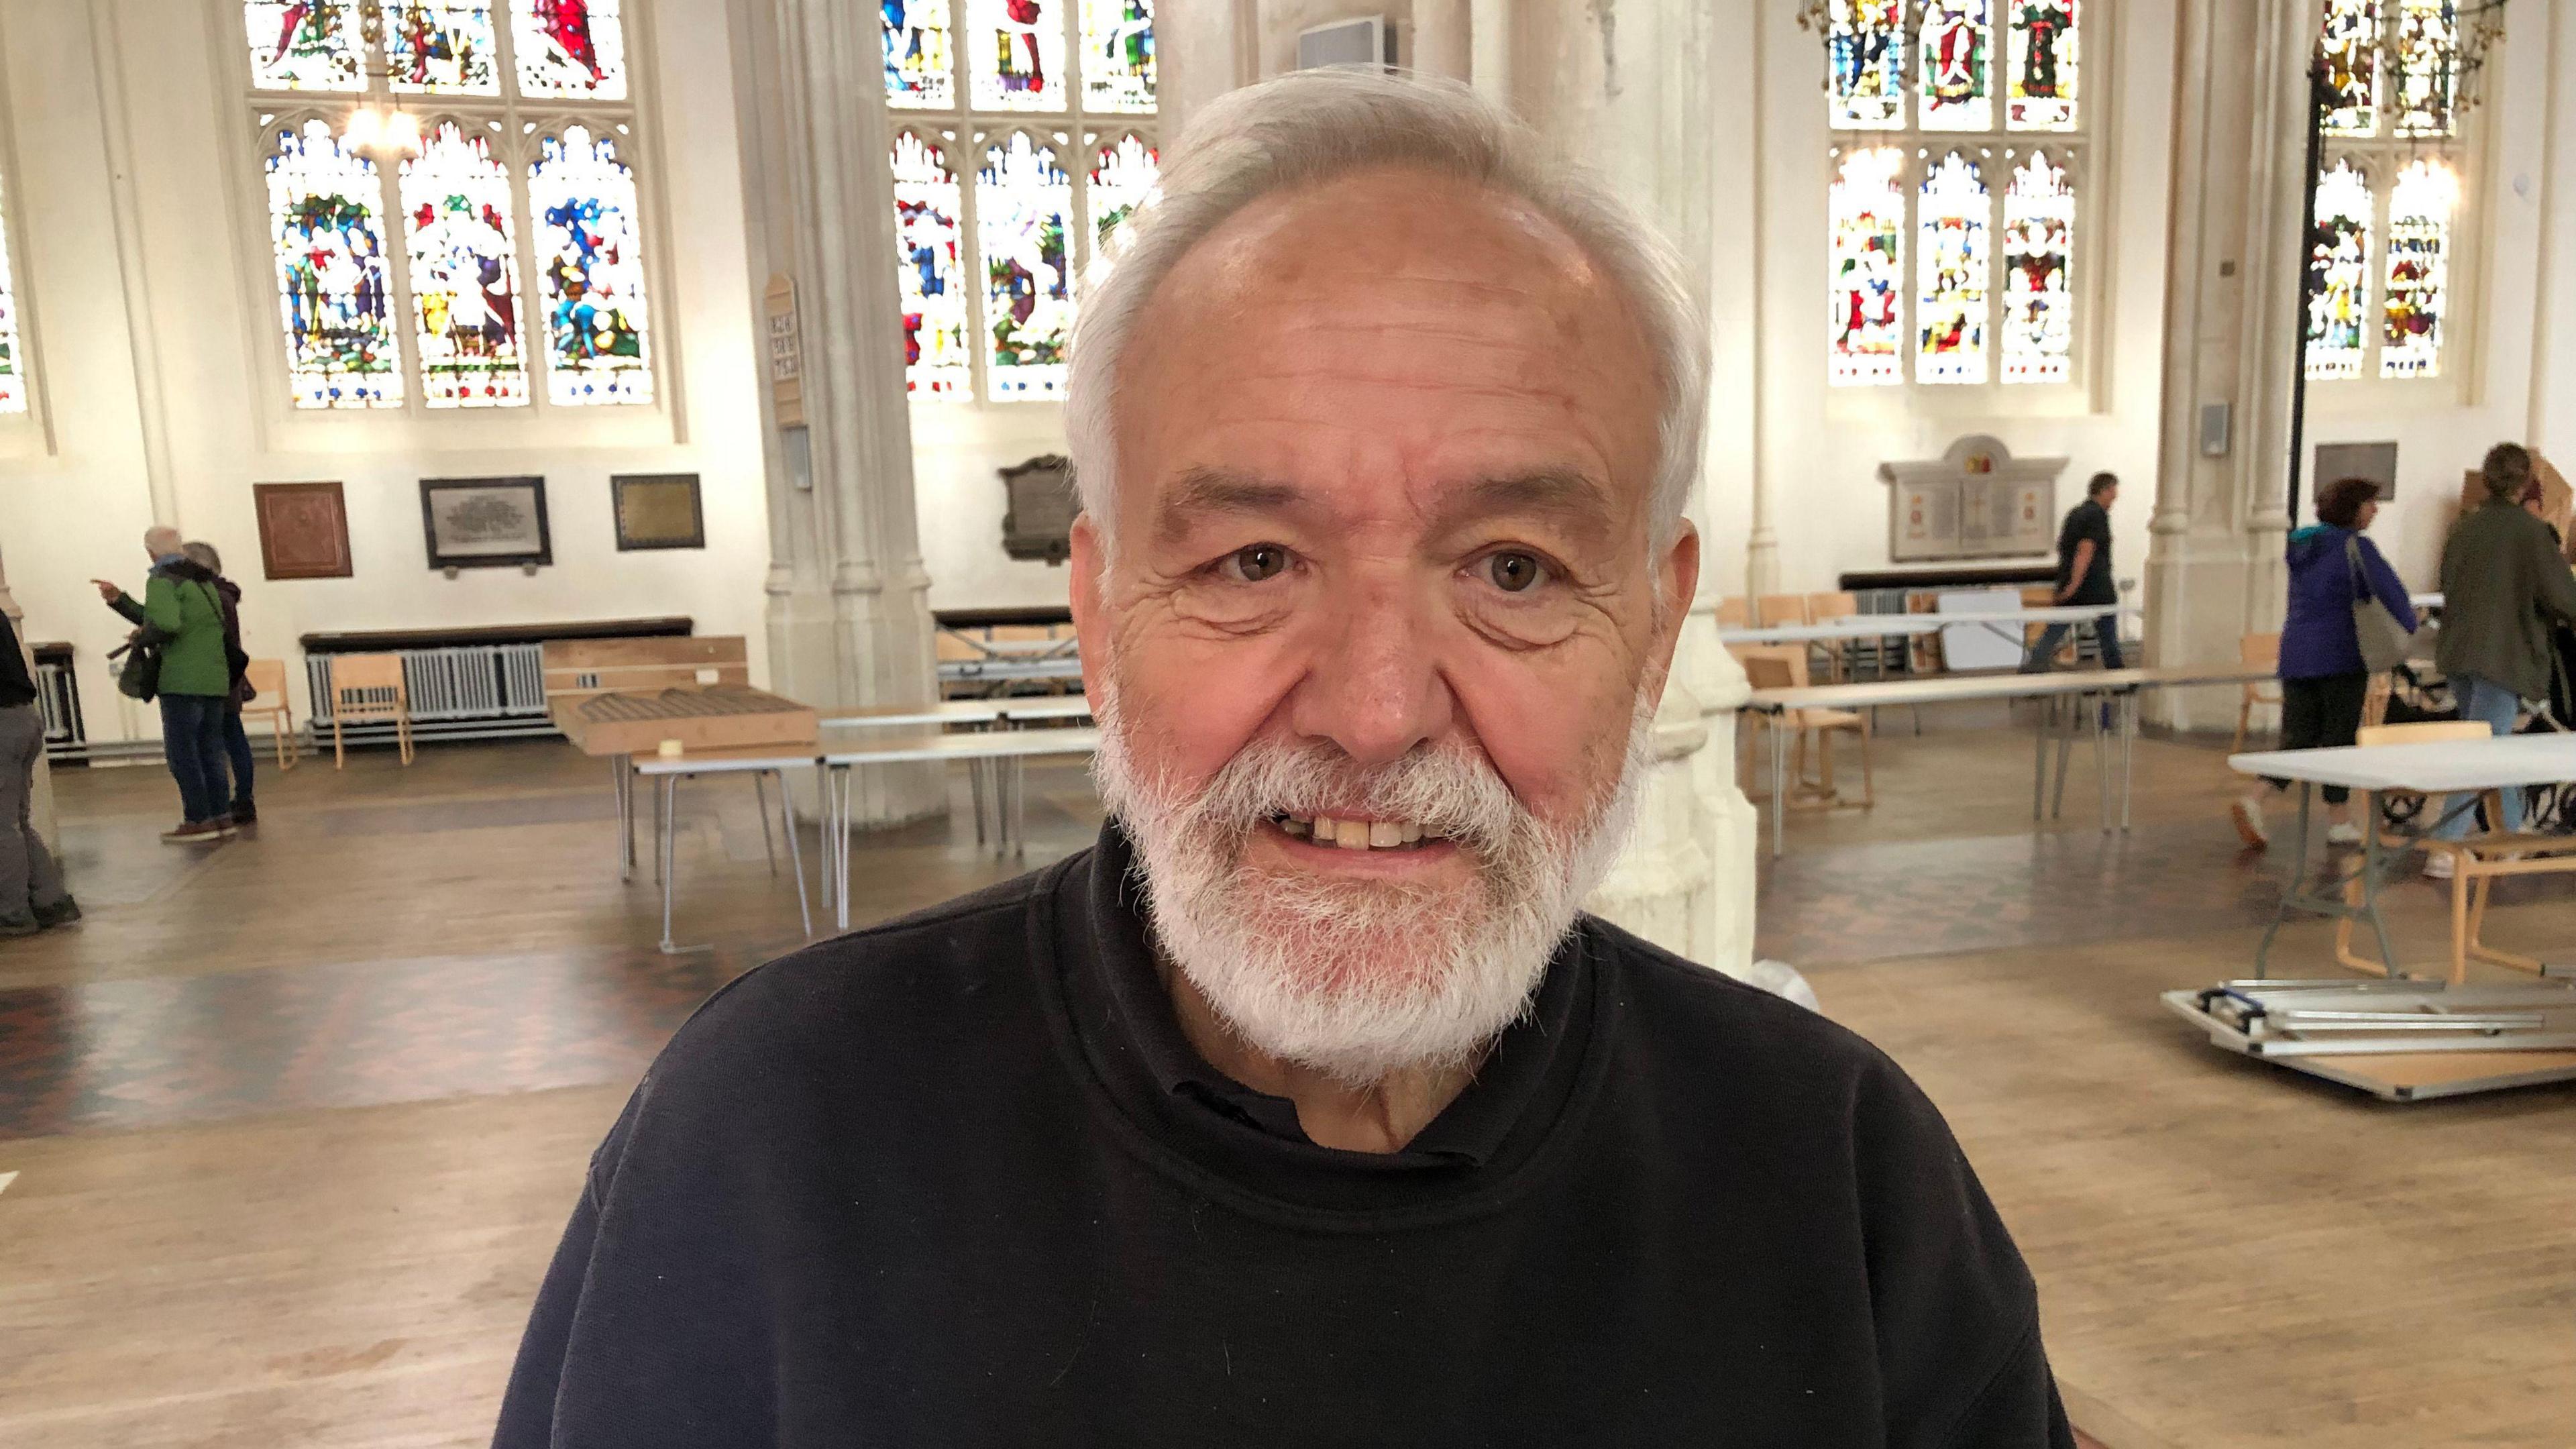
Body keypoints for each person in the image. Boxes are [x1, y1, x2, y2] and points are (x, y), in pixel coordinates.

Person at [496, 72, 2072, 1448]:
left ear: (1649, 632)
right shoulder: (777, 1131)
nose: (1376, 710)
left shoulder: (1829, 1171)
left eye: (1511, 568)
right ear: (1102, 615)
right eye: (1253, 560)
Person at [2231, 476, 2417, 851]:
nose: (2375, 510)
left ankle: (2256, 796)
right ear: (2353, 509)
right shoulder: (2355, 547)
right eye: (2370, 503)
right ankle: (2338, 821)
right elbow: (2392, 594)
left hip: (2297, 655)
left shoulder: (2302, 544)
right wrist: (2410, 627)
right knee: (2338, 740)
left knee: (2298, 737)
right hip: (2341, 655)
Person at [2425, 443, 2576, 873]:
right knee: (2480, 752)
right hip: (2503, 654)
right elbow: (2562, 597)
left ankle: (2510, 834)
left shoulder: (2464, 529)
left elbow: (2449, 582)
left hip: (2460, 650)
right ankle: (2444, 848)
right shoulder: (2531, 533)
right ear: (2528, 482)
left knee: (2494, 743)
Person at [92, 526, 235, 843]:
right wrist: (121, 601)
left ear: (150, 552)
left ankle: (197, 819)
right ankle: (222, 815)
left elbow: (166, 623)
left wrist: (141, 636)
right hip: (214, 678)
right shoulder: (202, 581)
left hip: (182, 680)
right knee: (211, 750)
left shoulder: (161, 579)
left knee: (183, 753)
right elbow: (170, 619)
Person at [0, 602, 78, 936]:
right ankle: (51, 901)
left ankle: (13, 912)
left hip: (2, 720)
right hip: (23, 717)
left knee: (3, 826)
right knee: (17, 820)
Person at [181, 541, 258, 826]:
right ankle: (237, 799)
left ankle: (237, 799)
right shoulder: (224, 593)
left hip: (218, 675)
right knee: (231, 737)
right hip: (224, 674)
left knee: (228, 739)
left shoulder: (213, 595)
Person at [2023, 472, 2124, 671]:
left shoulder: (2076, 513)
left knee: (2054, 631)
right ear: (2106, 490)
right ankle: (2119, 677)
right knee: (2108, 635)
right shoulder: (2096, 516)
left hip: (2075, 585)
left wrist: (2068, 586)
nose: (2115, 497)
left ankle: (2033, 669)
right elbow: (2084, 552)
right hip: (2094, 587)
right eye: (2114, 491)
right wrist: (2073, 587)